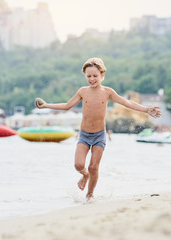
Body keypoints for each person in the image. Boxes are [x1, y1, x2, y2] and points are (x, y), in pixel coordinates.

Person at [35, 57, 161, 200]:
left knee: (94, 167)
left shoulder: (108, 92)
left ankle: (90, 195)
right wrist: (46, 105)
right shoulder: (82, 91)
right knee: (78, 165)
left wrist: (147, 109)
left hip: (99, 135)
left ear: (102, 75)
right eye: (89, 76)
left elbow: (126, 102)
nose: (92, 79)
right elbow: (66, 106)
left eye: (95, 76)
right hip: (84, 135)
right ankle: (85, 175)